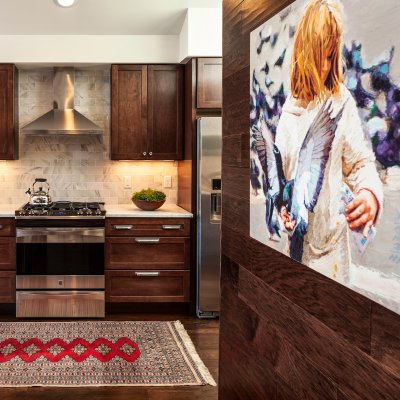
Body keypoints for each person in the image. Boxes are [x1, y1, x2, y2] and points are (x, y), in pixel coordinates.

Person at [274, 0, 383, 283]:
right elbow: (285, 188)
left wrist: (369, 193)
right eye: (322, 54)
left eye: (331, 55)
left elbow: (360, 163)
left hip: (332, 255)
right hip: (296, 251)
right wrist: (284, 215)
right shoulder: (287, 115)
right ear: (304, 51)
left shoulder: (340, 101)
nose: (326, 65)